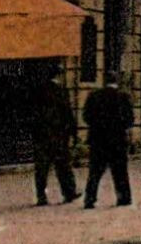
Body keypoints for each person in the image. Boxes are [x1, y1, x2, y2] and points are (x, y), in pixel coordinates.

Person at [28, 65, 78, 206]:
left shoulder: (39, 90)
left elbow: (33, 114)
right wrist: (73, 133)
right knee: (63, 166)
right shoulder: (61, 91)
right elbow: (67, 112)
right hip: (59, 135)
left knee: (42, 168)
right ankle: (69, 193)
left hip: (42, 135)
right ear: (59, 76)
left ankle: (41, 196)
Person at [82, 72, 134, 208]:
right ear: (117, 81)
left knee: (95, 171)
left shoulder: (94, 96)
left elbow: (86, 117)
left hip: (98, 140)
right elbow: (130, 120)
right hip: (118, 140)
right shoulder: (123, 97)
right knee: (120, 171)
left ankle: (90, 198)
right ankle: (123, 198)